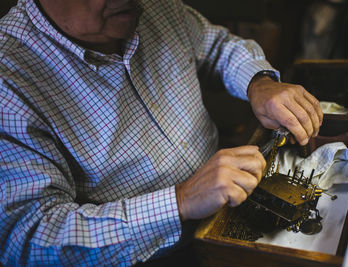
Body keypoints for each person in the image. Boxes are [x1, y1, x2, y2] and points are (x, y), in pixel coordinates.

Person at [0, 0, 323, 265]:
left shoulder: (152, 7)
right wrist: (180, 201)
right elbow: (28, 241)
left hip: (229, 211)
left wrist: (260, 83)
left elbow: (216, 47)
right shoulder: (9, 81)